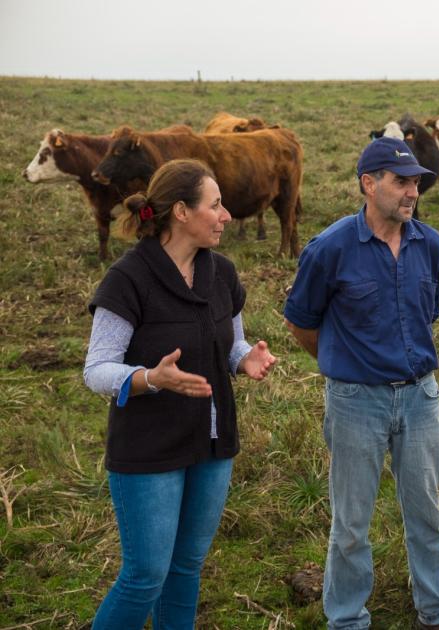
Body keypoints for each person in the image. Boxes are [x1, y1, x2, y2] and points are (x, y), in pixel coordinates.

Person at [83, 159, 277, 629]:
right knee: (145, 576)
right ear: (181, 213)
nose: (227, 215)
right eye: (215, 205)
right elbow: (97, 369)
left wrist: (245, 358)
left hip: (212, 444)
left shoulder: (222, 274)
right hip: (148, 446)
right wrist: (150, 378)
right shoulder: (128, 279)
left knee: (186, 566)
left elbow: (229, 343)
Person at [283, 136, 439, 630]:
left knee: (427, 513)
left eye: (416, 184)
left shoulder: (431, 244)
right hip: (355, 401)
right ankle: (346, 617)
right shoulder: (330, 248)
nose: (412, 193)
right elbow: (301, 319)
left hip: (420, 396)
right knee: (351, 522)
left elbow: (431, 312)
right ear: (368, 183)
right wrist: (341, 361)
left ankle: (438, 608)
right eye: (401, 182)